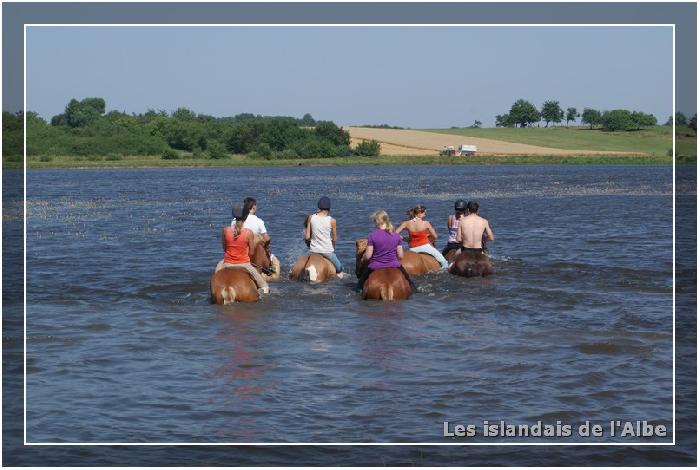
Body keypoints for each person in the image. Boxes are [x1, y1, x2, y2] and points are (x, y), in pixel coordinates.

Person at [356, 210, 416, 291]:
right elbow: (401, 256)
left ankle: (358, 290)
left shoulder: (372, 236)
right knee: (410, 283)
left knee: (359, 287)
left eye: (374, 221)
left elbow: (368, 256)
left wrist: (364, 258)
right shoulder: (396, 236)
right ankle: (414, 289)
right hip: (394, 264)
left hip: (375, 265)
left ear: (377, 221)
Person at [217, 204, 270, 294]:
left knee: (216, 274)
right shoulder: (248, 233)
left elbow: (225, 248)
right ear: (245, 217)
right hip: (244, 264)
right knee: (265, 286)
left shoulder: (225, 230)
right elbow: (252, 252)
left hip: (227, 264)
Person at [394, 204, 449, 269]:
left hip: (412, 249)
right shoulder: (426, 223)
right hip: (425, 247)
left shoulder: (406, 223)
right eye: (424, 213)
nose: (425, 215)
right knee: (444, 262)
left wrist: (405, 239)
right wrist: (430, 238)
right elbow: (435, 236)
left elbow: (395, 234)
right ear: (420, 213)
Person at [304, 196, 344, 279]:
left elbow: (307, 237)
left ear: (319, 207)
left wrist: (310, 244)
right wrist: (333, 248)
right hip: (327, 251)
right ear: (329, 208)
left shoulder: (311, 217)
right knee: (340, 268)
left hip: (313, 251)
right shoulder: (332, 220)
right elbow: (335, 238)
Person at [240, 196, 279, 275]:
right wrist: (267, 247)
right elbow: (267, 239)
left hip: (239, 251)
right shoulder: (258, 221)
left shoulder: (235, 221)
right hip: (253, 252)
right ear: (253, 207)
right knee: (276, 263)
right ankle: (270, 273)